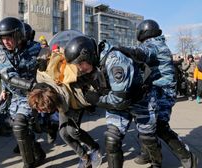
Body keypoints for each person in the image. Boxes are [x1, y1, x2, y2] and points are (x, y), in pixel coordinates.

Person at [65, 36, 161, 167]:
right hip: (117, 101)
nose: (80, 68)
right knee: (111, 140)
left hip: (141, 100)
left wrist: (97, 100)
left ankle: (156, 164)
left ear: (87, 55)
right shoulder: (93, 64)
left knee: (148, 137)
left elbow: (120, 101)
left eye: (80, 64)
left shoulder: (115, 61)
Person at [118, 19, 198, 168]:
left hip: (163, 93)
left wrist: (120, 49)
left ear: (144, 32)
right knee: (145, 122)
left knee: (160, 126)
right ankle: (147, 154)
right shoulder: (157, 43)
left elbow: (142, 53)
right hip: (155, 91)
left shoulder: (154, 44)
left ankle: (188, 157)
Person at [28, 34, 102, 168]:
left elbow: (83, 68)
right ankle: (84, 157)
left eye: (44, 110)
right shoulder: (43, 78)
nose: (41, 112)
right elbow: (39, 84)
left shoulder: (73, 72)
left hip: (75, 100)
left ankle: (94, 147)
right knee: (63, 133)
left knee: (73, 131)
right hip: (60, 102)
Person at [0, 17, 45, 168]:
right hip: (16, 95)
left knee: (20, 126)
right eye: (3, 38)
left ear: (18, 35)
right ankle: (38, 152)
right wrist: (4, 89)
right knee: (20, 129)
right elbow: (7, 75)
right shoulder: (2, 52)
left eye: (9, 38)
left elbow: (50, 64)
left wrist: (46, 60)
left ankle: (28, 164)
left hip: (31, 97)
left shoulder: (36, 48)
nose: (6, 42)